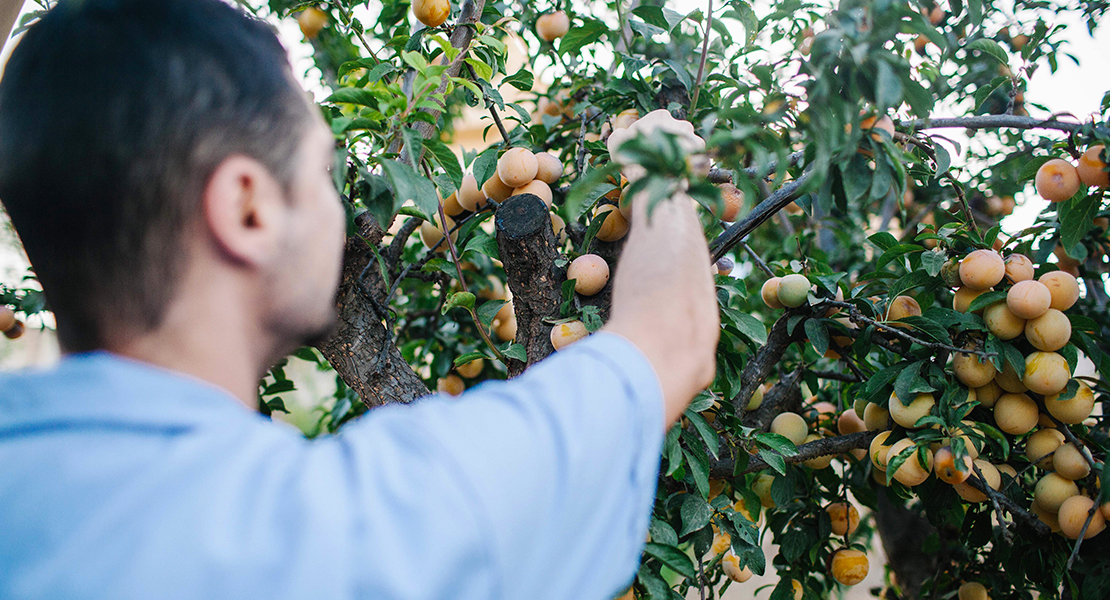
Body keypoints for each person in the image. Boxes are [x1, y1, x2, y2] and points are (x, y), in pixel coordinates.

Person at [0, 0, 719, 598]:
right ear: (248, 209)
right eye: (321, 173)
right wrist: (658, 166)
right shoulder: (369, 525)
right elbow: (674, 337)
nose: (342, 210)